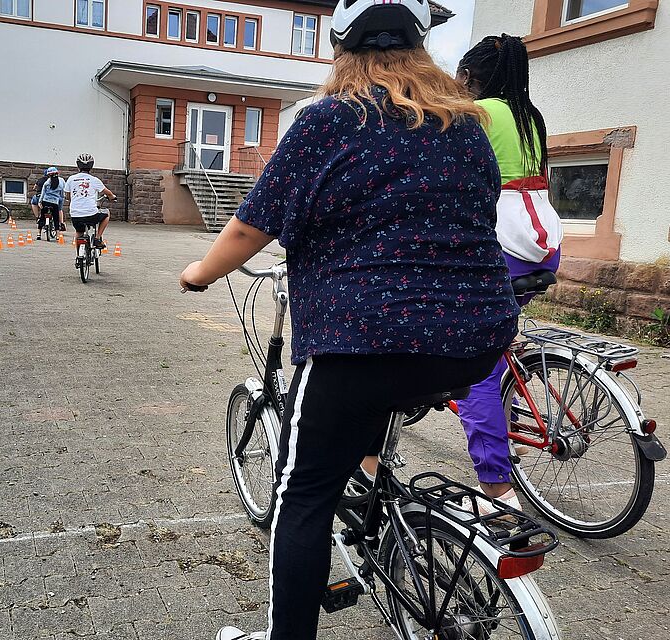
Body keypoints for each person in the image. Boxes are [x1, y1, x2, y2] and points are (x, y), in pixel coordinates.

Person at [179, 2, 520, 639]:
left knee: (301, 496)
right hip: (472, 335)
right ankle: (381, 509)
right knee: (387, 394)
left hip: (360, 339)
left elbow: (254, 224)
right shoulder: (466, 125)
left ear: (341, 50)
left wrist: (200, 272)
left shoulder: (329, 121)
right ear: (421, 48)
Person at [447, 33, 563, 511]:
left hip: (504, 245)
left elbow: (449, 178)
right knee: (494, 345)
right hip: (542, 245)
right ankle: (506, 425)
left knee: (473, 368)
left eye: (457, 80)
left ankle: (497, 487)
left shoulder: (479, 114)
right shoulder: (529, 117)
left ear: (470, 78)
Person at [64, 153, 115, 249]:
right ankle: (97, 238)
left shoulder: (71, 179)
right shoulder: (94, 180)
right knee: (106, 214)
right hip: (91, 215)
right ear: (91, 166)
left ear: (78, 165)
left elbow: (67, 195)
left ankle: (79, 256)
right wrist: (112, 197)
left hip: (75, 215)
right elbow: (108, 193)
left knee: (79, 232)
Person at [37, 167, 66, 239]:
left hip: (45, 201)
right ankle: (57, 235)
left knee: (42, 217)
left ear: (48, 175)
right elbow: (62, 194)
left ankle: (39, 234)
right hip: (55, 202)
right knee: (56, 218)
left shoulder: (47, 182)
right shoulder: (61, 181)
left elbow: (43, 192)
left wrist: (40, 202)